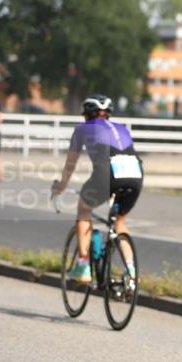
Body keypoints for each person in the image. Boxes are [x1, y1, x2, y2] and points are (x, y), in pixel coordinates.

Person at [51, 95, 143, 283]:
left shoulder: (82, 129)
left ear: (86, 115)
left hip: (107, 173)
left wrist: (61, 186)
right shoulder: (122, 128)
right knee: (120, 221)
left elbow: (70, 165)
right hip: (135, 174)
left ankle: (83, 264)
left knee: (83, 210)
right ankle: (132, 273)